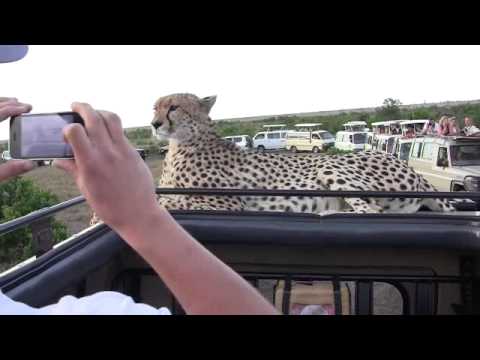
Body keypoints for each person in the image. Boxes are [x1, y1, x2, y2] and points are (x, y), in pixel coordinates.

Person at [0, 97, 278, 315]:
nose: (158, 120)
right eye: (158, 110)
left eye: (171, 110)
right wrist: (142, 216)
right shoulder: (106, 310)